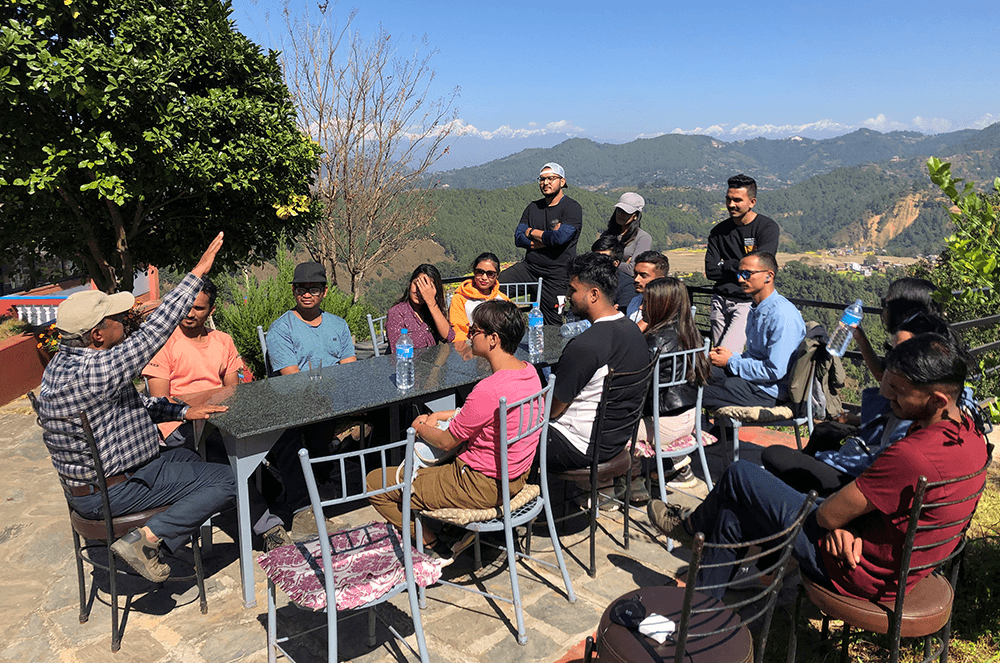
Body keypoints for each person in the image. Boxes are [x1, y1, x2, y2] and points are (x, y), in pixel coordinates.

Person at [648, 333, 988, 602]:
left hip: (860, 571)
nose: (885, 394)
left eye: (897, 390)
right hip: (894, 560)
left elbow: (826, 517)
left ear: (937, 400)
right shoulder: (968, 435)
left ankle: (691, 528)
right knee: (732, 512)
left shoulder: (914, 455)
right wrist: (847, 526)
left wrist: (839, 525)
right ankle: (702, 614)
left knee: (740, 475)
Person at [37, 233, 237, 583]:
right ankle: (147, 540)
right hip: (115, 491)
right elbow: (156, 331)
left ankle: (165, 533)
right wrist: (200, 270)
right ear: (97, 335)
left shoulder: (60, 366)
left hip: (91, 488)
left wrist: (178, 412)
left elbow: (129, 404)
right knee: (231, 479)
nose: (125, 320)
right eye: (116, 318)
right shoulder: (97, 369)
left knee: (190, 459)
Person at [367, 300, 543, 563]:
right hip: (515, 476)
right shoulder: (530, 373)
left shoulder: (489, 388)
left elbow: (447, 441)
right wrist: (440, 417)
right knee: (431, 465)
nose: (469, 335)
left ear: (493, 339)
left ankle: (433, 545)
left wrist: (420, 426)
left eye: (475, 331)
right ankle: (448, 530)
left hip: (478, 485)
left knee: (376, 483)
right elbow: (476, 418)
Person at [142, 277, 291, 550]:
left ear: (211, 310)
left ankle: (287, 495)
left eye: (198, 308)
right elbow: (159, 401)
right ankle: (268, 527)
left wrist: (215, 405)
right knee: (224, 454)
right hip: (178, 424)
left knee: (276, 433)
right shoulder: (163, 343)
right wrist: (197, 405)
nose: (189, 313)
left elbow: (233, 390)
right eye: (186, 306)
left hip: (219, 418)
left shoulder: (222, 341)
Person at [761, 312, 969, 497]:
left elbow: (884, 474)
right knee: (824, 432)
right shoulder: (943, 401)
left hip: (867, 478)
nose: (891, 365)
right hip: (870, 462)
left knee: (771, 459)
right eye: (892, 351)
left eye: (902, 354)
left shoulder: (921, 415)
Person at [547, 253, 649, 472]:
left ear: (593, 294)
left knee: (502, 433)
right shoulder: (633, 331)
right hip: (616, 439)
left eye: (573, 290)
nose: (568, 296)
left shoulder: (586, 345)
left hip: (578, 445)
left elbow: (552, 410)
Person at [702, 251, 805, 411]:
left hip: (771, 391)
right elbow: (755, 356)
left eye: (747, 274)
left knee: (696, 393)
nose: (740, 279)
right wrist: (729, 357)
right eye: (739, 273)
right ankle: (723, 433)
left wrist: (731, 362)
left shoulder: (782, 315)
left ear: (768, 276)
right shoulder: (756, 308)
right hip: (757, 382)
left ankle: (724, 435)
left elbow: (774, 371)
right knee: (700, 372)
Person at [635, 277, 711, 492]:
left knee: (609, 425)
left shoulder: (655, 342)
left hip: (663, 424)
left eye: (646, 302)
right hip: (689, 418)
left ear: (662, 305)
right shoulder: (689, 332)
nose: (641, 307)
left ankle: (630, 482)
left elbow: (634, 387)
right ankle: (680, 469)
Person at [499, 162, 583, 326]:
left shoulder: (572, 208)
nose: (546, 183)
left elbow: (560, 238)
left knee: (552, 324)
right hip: (529, 268)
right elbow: (518, 237)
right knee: (492, 290)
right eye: (542, 179)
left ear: (562, 181)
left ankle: (553, 352)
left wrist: (531, 232)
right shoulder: (533, 207)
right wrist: (544, 240)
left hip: (557, 274)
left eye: (551, 178)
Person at [705, 174, 780, 354]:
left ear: (752, 202)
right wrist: (740, 267)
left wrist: (726, 264)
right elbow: (710, 271)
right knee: (717, 354)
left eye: (737, 200)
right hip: (719, 300)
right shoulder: (718, 231)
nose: (731, 205)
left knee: (727, 353)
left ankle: (730, 383)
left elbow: (759, 268)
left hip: (747, 302)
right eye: (729, 199)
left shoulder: (766, 228)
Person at [266, 261, 357, 375]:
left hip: (339, 387)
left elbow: (350, 368)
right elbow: (292, 378)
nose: (307, 295)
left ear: (324, 292)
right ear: (293, 291)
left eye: (314, 290)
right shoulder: (280, 329)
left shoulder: (339, 324)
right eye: (301, 290)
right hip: (302, 390)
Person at [387, 264, 455, 352]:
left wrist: (431, 302)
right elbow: (397, 352)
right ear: (410, 284)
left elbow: (449, 337)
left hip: (432, 364)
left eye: (426, 287)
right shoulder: (397, 312)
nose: (420, 291)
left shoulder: (431, 311)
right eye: (417, 284)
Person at [448, 254, 510, 344]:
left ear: (497, 275)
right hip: (471, 348)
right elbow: (459, 332)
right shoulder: (460, 299)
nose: (484, 277)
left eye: (490, 274)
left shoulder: (503, 299)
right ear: (474, 272)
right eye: (480, 272)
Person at [600, 192, 652, 277]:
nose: (621, 214)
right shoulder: (607, 234)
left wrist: (606, 261)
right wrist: (622, 264)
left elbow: (632, 270)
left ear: (635, 216)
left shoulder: (643, 238)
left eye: (626, 212)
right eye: (619, 210)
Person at [625, 251, 670, 329]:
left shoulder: (666, 308)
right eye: (635, 274)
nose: (636, 279)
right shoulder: (635, 300)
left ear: (660, 279)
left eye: (643, 276)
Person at [590, 235, 635, 310]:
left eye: (604, 258)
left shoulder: (627, 285)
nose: (597, 260)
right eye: (595, 256)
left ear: (616, 263)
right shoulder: (585, 279)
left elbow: (622, 315)